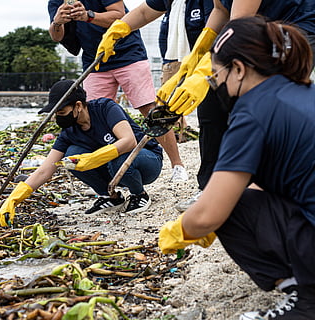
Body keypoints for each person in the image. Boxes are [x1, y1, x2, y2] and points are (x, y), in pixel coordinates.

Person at [158, 17, 315, 319]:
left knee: (227, 209)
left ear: (240, 69)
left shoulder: (252, 111)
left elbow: (209, 214)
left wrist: (180, 230)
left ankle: (306, 302)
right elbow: (269, 184)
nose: (217, 86)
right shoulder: (303, 91)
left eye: (217, 76)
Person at [96, 0, 315, 211]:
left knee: (266, 99)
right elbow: (220, 10)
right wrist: (197, 54)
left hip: (293, 25)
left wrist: (203, 71)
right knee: (212, 96)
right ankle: (211, 187)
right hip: (254, 29)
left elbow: (238, 26)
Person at [47, 0, 188, 182]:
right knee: (92, 115)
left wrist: (88, 16)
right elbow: (56, 36)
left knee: (149, 109)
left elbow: (120, 15)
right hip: (94, 60)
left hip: (128, 53)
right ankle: (108, 173)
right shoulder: (56, 2)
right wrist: (57, 22)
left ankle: (177, 165)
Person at [0, 79, 164, 227]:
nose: (57, 119)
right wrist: (14, 199)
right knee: (71, 156)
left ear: (78, 106)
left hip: (145, 160)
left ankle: (139, 194)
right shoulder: (69, 132)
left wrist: (93, 158)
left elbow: (129, 142)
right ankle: (110, 197)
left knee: (118, 156)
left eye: (61, 113)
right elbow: (45, 169)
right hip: (113, 170)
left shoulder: (105, 108)